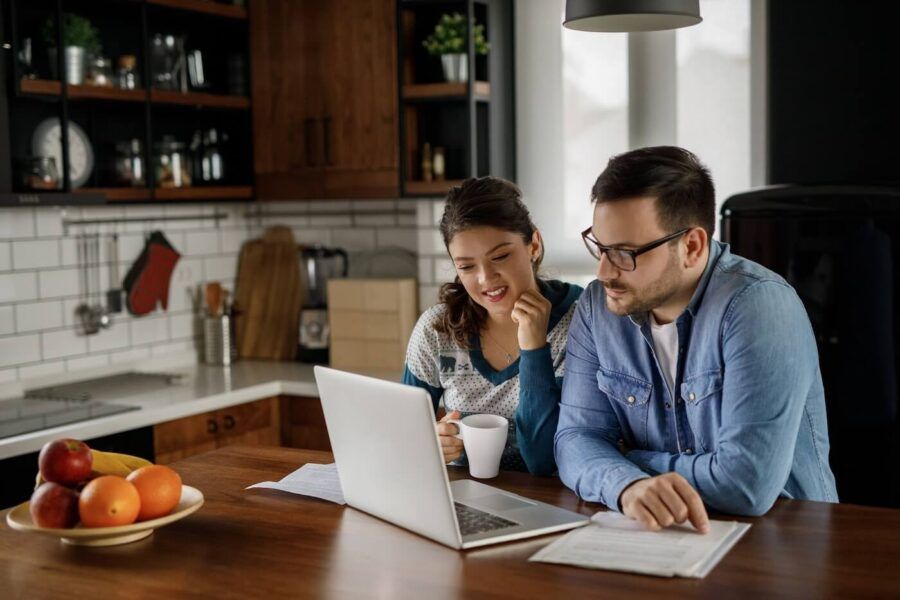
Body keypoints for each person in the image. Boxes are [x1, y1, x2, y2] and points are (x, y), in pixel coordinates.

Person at [556, 146, 838, 532]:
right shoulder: (597, 308)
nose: (604, 271)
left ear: (691, 246)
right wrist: (628, 485)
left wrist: (630, 460)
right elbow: (574, 440)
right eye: (600, 247)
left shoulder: (758, 306)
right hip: (660, 536)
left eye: (625, 253)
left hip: (780, 542)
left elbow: (745, 485)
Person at [403, 177, 583, 475]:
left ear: (534, 245)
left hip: (551, 501)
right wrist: (430, 442)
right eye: (467, 266)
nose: (486, 279)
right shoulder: (437, 330)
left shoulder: (580, 323)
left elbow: (542, 461)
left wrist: (534, 347)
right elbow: (403, 436)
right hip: (464, 501)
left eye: (500, 257)